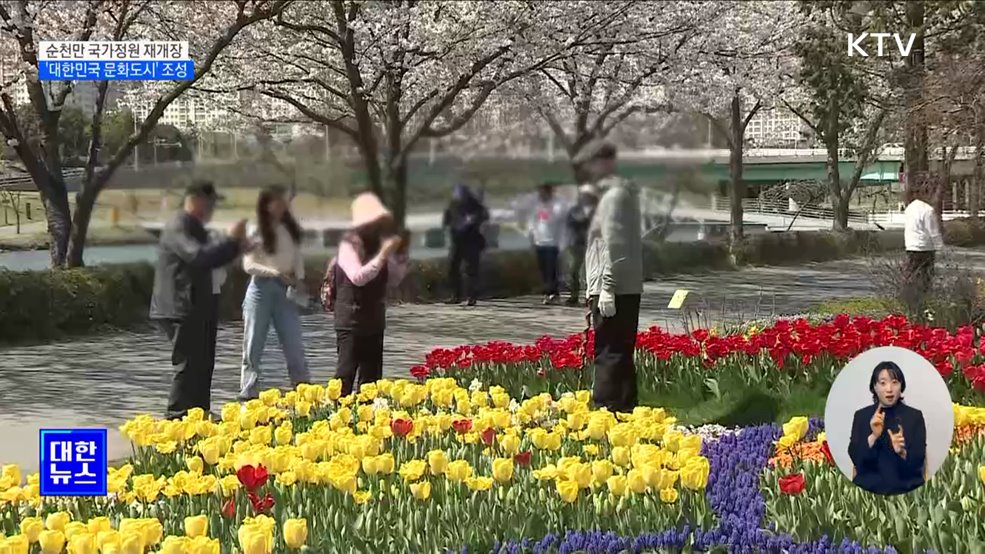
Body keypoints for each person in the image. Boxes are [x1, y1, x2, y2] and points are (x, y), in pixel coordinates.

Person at [150, 181, 249, 420]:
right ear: (195, 200)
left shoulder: (195, 227)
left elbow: (210, 260)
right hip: (180, 306)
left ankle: (199, 413)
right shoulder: (179, 225)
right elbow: (198, 256)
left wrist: (237, 248)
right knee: (188, 365)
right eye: (210, 203)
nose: (213, 209)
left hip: (199, 305)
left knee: (203, 363)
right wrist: (232, 243)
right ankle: (177, 416)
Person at [580, 141, 643, 413]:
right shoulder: (618, 195)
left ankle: (607, 409)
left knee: (608, 352)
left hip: (615, 289)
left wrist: (606, 287)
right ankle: (625, 408)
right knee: (620, 352)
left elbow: (612, 244)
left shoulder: (614, 198)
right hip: (622, 286)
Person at [238, 185, 312, 401]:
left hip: (287, 291)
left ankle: (303, 389)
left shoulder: (290, 227)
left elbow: (297, 257)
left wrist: (299, 279)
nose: (281, 206)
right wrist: (276, 273)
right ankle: (248, 390)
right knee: (253, 343)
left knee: (293, 343)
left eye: (283, 201)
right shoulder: (256, 229)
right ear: (266, 205)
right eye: (276, 201)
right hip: (261, 289)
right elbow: (248, 265)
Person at [333, 192, 410, 396]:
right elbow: (357, 277)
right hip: (351, 320)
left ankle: (367, 423)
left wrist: (400, 256)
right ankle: (335, 418)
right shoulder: (349, 244)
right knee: (345, 375)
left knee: (371, 381)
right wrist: (383, 254)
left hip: (374, 319)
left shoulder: (378, 244)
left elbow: (392, 279)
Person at [848, 361, 927, 495]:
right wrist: (873, 436)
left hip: (905, 488)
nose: (889, 389)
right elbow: (856, 458)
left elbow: (918, 462)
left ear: (901, 386)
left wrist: (902, 452)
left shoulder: (914, 416)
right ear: (874, 387)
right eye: (883, 383)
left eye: (895, 382)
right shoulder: (862, 416)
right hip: (868, 489)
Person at [443, 184, 489, 306]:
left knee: (471, 271)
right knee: (452, 269)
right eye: (457, 193)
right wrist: (453, 224)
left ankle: (471, 297)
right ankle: (456, 295)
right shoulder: (453, 205)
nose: (458, 196)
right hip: (457, 242)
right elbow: (446, 220)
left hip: (472, 242)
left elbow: (484, 215)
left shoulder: (475, 205)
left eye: (460, 193)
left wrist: (474, 219)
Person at [903, 182, 943, 314]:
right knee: (926, 278)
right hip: (925, 248)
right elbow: (933, 231)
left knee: (912, 276)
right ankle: (923, 302)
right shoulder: (927, 210)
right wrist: (940, 246)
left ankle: (911, 302)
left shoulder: (909, 208)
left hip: (911, 246)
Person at [527, 182, 566, 305]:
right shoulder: (537, 205)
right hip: (540, 241)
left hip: (553, 242)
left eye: (544, 192)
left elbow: (559, 217)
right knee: (543, 269)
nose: (542, 195)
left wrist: (548, 208)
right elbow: (532, 221)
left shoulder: (558, 203)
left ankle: (554, 294)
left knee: (552, 269)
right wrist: (531, 235)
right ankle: (547, 293)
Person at [565, 184, 599, 306]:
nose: (585, 197)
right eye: (583, 195)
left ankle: (590, 296)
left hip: (592, 244)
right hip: (576, 244)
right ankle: (574, 295)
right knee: (574, 270)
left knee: (589, 271)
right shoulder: (575, 209)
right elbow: (570, 222)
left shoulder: (597, 210)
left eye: (588, 195)